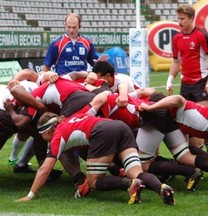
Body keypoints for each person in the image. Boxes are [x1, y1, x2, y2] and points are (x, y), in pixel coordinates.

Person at [18, 94, 175, 205]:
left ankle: (129, 184)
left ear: (47, 131)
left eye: (42, 136)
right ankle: (161, 187)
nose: (43, 139)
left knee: (93, 182)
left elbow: (45, 168)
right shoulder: (76, 115)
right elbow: (100, 99)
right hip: (120, 127)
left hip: (103, 132)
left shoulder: (57, 135)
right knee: (136, 172)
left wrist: (30, 195)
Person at [166, 4, 208, 150]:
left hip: (202, 83)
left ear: (191, 18)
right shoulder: (177, 38)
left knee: (203, 124)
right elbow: (176, 61)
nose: (179, 22)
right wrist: (170, 80)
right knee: (188, 126)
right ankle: (197, 162)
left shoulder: (202, 35)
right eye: (178, 18)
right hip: (185, 85)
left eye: (183, 18)